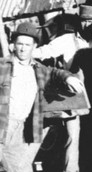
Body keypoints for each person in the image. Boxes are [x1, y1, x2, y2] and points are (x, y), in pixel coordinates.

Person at [0, 22, 85, 172]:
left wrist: (68, 78)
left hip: (26, 126)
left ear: (34, 47)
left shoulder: (38, 68)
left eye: (27, 45)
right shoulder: (3, 66)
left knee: (19, 167)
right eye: (19, 44)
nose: (22, 48)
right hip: (5, 124)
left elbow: (55, 72)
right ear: (13, 44)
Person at [32, 5, 92, 172]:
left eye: (90, 21)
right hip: (75, 95)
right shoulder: (67, 40)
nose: (87, 25)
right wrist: (27, 52)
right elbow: (44, 52)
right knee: (72, 136)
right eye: (83, 21)